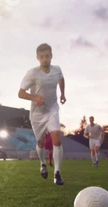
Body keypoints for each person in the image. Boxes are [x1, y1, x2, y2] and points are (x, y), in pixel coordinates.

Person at [18, 43, 66, 185]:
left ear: (51, 56)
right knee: (41, 142)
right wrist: (34, 98)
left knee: (57, 139)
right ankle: (42, 163)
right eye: (42, 57)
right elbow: (20, 93)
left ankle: (57, 173)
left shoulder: (57, 70)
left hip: (52, 109)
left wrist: (63, 94)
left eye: (47, 56)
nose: (45, 59)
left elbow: (61, 79)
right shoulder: (32, 73)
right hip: (37, 114)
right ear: (38, 58)